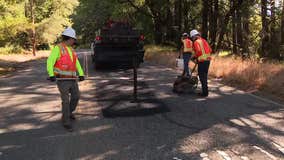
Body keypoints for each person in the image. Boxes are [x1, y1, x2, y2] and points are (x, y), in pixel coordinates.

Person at [47, 27, 85, 132]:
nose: (74, 41)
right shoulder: (58, 48)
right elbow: (50, 61)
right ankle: (66, 122)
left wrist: (81, 74)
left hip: (72, 79)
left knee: (76, 96)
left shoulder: (71, 49)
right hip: (62, 80)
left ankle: (69, 113)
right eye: (74, 39)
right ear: (69, 38)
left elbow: (76, 62)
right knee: (65, 101)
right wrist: (51, 74)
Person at [190, 29, 212, 97]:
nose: (192, 39)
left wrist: (194, 57)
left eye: (192, 37)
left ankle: (204, 93)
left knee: (202, 77)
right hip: (208, 61)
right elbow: (210, 50)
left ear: (194, 36)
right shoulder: (204, 40)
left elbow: (199, 51)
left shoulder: (196, 42)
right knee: (204, 76)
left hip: (202, 61)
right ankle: (205, 91)